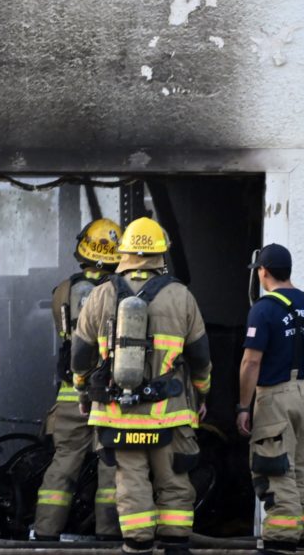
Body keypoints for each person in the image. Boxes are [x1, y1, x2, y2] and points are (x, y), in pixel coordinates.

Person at [71, 217, 212, 555]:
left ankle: (137, 545)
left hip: (118, 413)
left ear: (125, 252)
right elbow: (200, 357)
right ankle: (175, 544)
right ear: (161, 253)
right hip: (169, 412)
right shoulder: (181, 296)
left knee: (130, 482)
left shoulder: (101, 294)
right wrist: (202, 392)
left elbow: (79, 356)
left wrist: (82, 391)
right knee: (174, 481)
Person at [33, 218, 124, 541]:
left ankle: (45, 532)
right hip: (110, 392)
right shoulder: (122, 291)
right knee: (111, 463)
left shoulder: (63, 290)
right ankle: (109, 535)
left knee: (63, 464)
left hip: (72, 392)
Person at [237, 244, 304, 555]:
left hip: (276, 397)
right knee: (301, 474)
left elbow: (251, 362)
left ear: (263, 271)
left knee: (276, 472)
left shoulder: (264, 309)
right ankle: (303, 541)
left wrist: (244, 406)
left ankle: (280, 543)